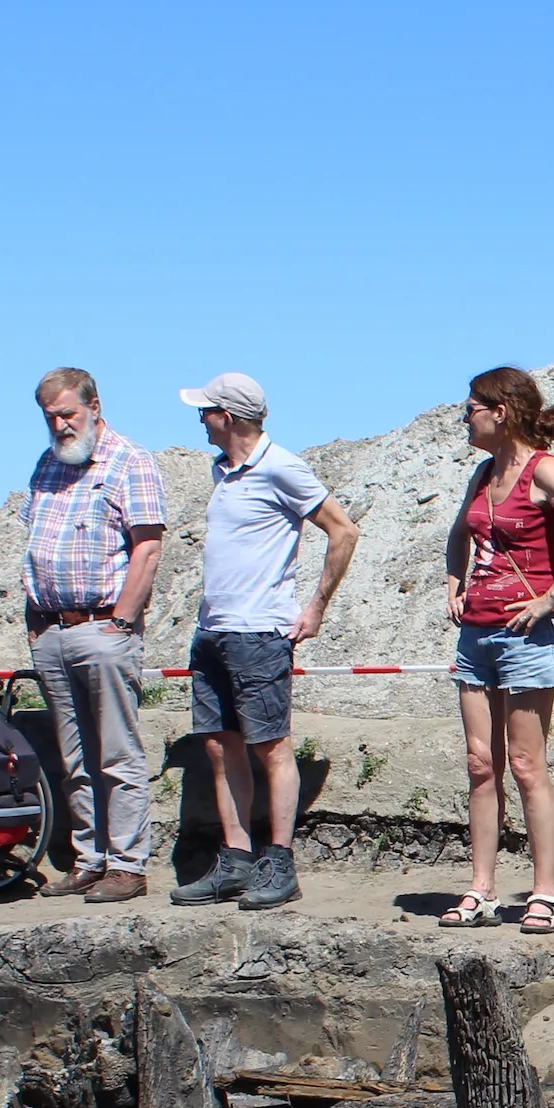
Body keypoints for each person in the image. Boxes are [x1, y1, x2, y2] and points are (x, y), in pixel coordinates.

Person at [168, 373, 362, 913]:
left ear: (228, 417)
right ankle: (235, 859)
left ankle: (279, 860)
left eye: (206, 411)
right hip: (214, 630)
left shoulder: (281, 467)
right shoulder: (223, 471)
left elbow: (343, 530)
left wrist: (316, 606)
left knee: (270, 746)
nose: (199, 419)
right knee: (217, 742)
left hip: (259, 633)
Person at [439, 367, 554, 936]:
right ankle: (481, 888)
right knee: (479, 764)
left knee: (525, 764)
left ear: (502, 410)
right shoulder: (483, 473)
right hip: (476, 636)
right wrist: (453, 580)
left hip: (526, 637)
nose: (464, 418)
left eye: (471, 408)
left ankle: (544, 891)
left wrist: (551, 597)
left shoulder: (544, 472)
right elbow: (459, 532)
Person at [22, 369, 167, 903]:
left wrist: (122, 621)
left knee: (116, 752)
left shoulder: (131, 461)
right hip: (52, 632)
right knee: (74, 757)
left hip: (103, 627)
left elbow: (147, 548)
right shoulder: (47, 466)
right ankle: (90, 858)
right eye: (50, 417)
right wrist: (36, 624)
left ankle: (127, 864)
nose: (60, 425)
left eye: (68, 414)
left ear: (94, 406)